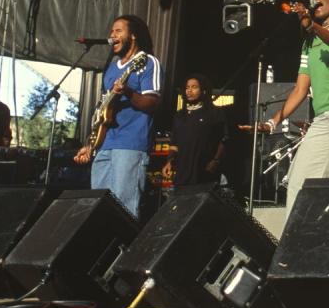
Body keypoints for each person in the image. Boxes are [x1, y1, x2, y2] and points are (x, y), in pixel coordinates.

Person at [241, 0, 329, 216]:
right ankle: (294, 248)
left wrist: (312, 26)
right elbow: (300, 89)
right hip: (322, 118)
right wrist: (273, 121)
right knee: (299, 183)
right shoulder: (309, 42)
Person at [74, 15, 162, 219]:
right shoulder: (112, 68)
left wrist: (129, 92)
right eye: (111, 32)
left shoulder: (147, 62)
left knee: (124, 207)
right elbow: (103, 113)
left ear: (132, 35)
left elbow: (152, 103)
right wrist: (90, 144)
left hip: (130, 145)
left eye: (118, 31)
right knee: (98, 204)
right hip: (105, 145)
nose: (112, 36)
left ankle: (125, 250)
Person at [162, 73, 227, 187]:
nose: (189, 90)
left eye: (194, 87)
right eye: (187, 87)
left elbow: (224, 139)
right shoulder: (179, 115)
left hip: (204, 171)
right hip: (182, 173)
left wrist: (216, 161)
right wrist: (169, 161)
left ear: (203, 90)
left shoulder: (214, 113)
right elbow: (174, 143)